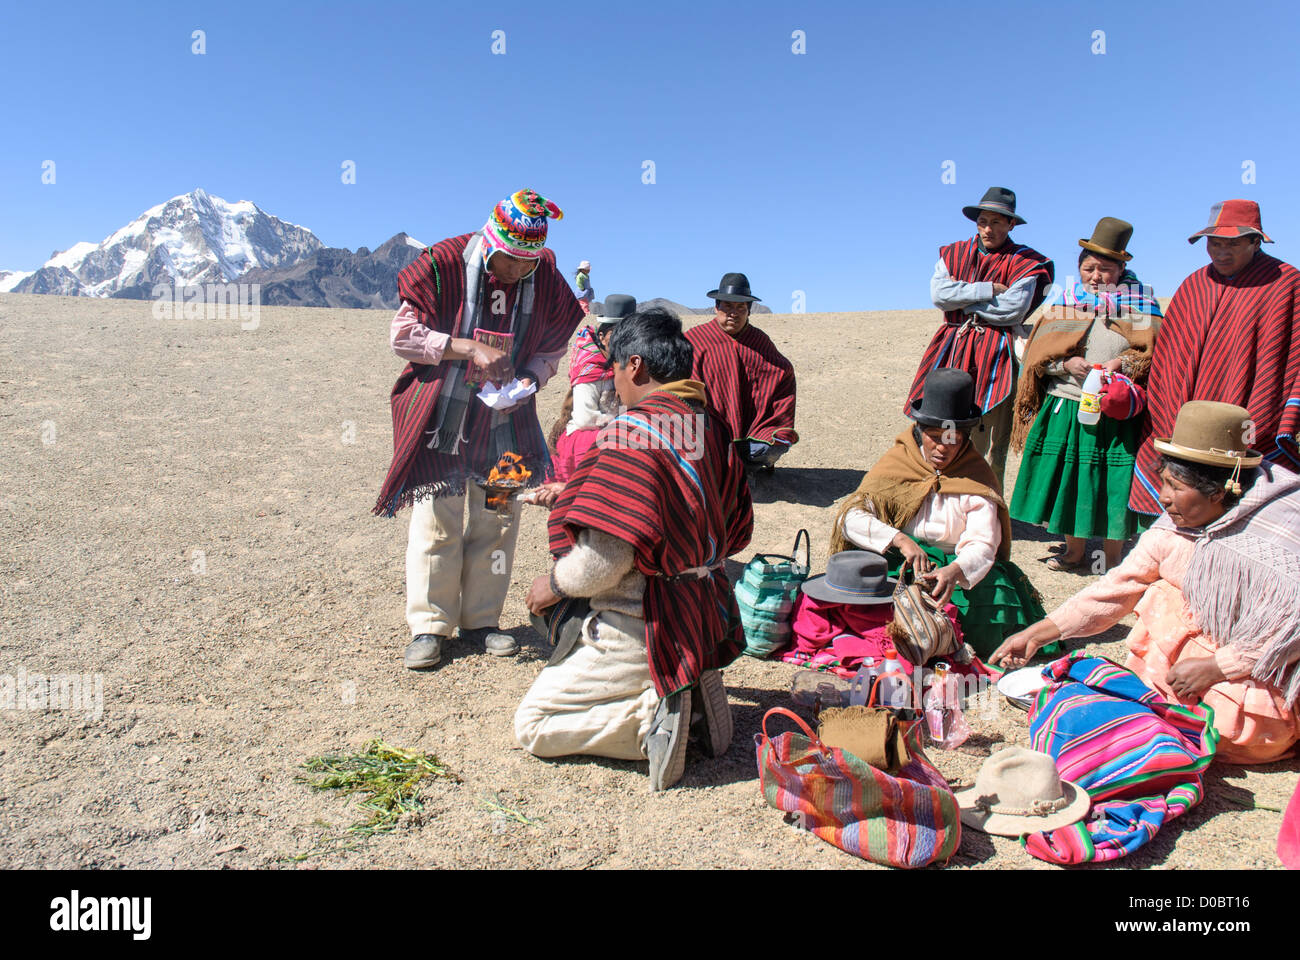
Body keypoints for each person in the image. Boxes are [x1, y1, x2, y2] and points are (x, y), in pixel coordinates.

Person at [515, 308, 754, 791]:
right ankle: (691, 675)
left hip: (645, 616)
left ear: (637, 366)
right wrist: (577, 493)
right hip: (703, 606)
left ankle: (655, 717)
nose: (613, 380)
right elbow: (728, 522)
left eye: (616, 368)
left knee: (535, 724)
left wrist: (553, 585)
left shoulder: (631, 432)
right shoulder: (707, 426)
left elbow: (607, 560)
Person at [994, 401, 1300, 764]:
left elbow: (1289, 632)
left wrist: (1218, 667)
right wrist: (1039, 633)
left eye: (1176, 487)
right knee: (1158, 590)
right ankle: (1170, 707)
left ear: (1219, 491)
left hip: (1256, 688)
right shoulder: (1175, 528)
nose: (1163, 497)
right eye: (1163, 483)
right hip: (1191, 675)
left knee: (1165, 597)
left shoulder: (1283, 534)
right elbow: (1117, 586)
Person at [374, 189, 584, 670]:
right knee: (437, 520)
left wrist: (530, 378)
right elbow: (401, 336)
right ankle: (430, 625)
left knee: (499, 519)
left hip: (506, 424)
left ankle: (483, 620)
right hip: (444, 419)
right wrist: (466, 348)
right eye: (509, 260)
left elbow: (551, 349)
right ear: (492, 240)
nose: (516, 272)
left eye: (525, 265)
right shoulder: (445, 262)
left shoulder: (545, 277)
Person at [831, 367, 1051, 660]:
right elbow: (851, 519)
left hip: (958, 569)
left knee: (986, 612)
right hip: (900, 560)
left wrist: (955, 570)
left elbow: (983, 544)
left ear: (966, 438)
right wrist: (901, 541)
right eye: (934, 437)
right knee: (867, 600)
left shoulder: (976, 478)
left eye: (953, 438)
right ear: (919, 432)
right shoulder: (897, 464)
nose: (942, 448)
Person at [1009, 217, 1163, 571]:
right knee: (1069, 479)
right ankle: (1075, 553)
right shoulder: (1065, 304)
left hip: (1114, 411)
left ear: (1122, 269)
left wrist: (1122, 364)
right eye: (1089, 268)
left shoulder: (1141, 306)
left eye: (1106, 270)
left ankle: (1113, 559)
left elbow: (1155, 355)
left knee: (1113, 484)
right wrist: (1066, 365)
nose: (1096, 277)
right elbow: (1036, 357)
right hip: (1066, 403)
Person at [1131, 200, 1300, 519]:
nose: (1221, 252)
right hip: (1186, 417)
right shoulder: (1195, 285)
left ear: (1255, 241)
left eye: (1232, 244)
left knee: (1241, 509)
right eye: (1214, 243)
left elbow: (1292, 357)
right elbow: (1170, 357)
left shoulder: (1286, 285)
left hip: (1251, 420)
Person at [908, 187, 1055, 489]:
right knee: (941, 421)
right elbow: (939, 295)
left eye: (997, 222)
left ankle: (988, 500)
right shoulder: (953, 253)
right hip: (952, 348)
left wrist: (960, 300)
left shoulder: (1026, 262)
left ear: (1011, 224)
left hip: (997, 353)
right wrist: (987, 289)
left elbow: (1011, 311)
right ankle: (939, 493)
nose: (989, 229)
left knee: (994, 438)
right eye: (983, 222)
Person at [686, 272, 797, 471]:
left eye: (740, 307)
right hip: (708, 431)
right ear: (716, 307)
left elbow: (783, 374)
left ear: (749, 311)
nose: (733, 313)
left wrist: (773, 418)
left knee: (768, 448)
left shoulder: (759, 341)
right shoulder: (696, 340)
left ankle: (748, 465)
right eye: (727, 306)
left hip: (752, 431)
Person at [546, 294, 634, 482]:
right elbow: (585, 419)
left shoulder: (630, 363)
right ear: (602, 337)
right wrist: (622, 424)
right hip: (587, 437)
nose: (622, 341)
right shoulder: (590, 368)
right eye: (616, 334)